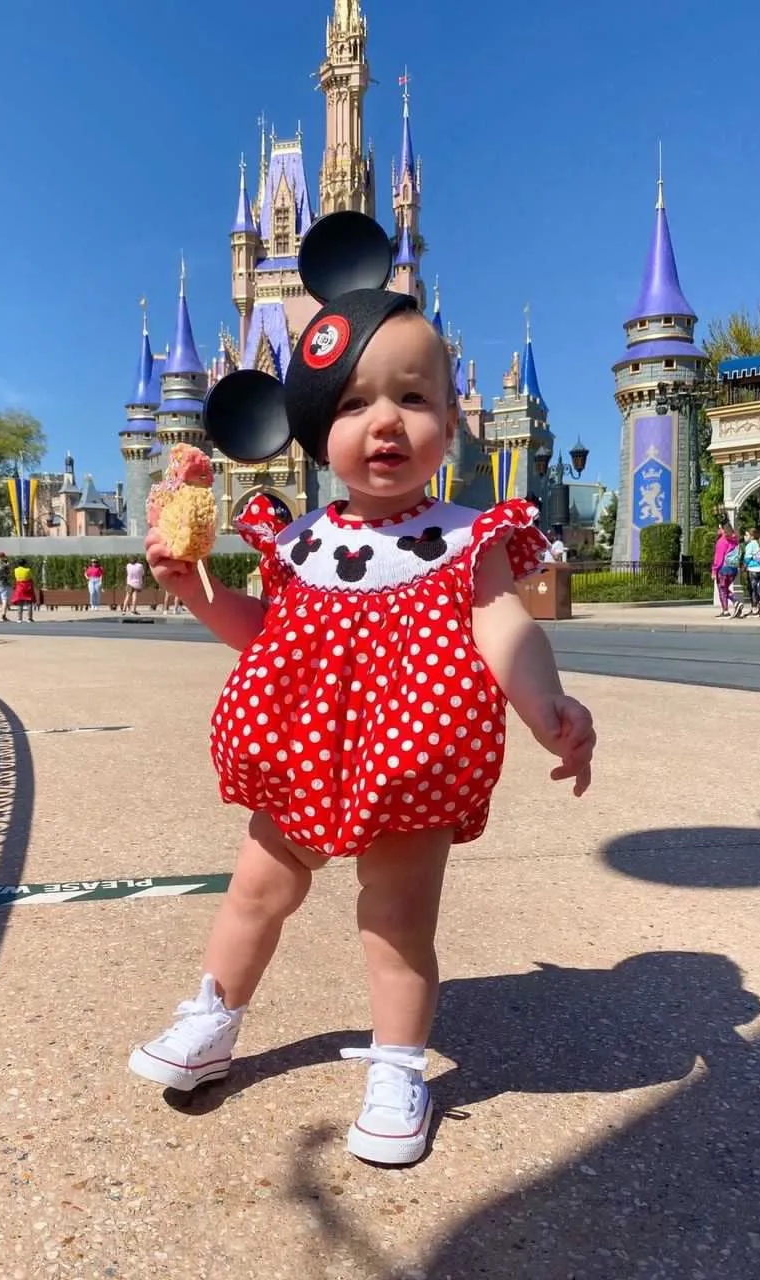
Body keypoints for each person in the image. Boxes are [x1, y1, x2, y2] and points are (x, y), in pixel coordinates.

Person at [129, 291, 596, 1166]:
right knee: (255, 893)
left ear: (453, 425)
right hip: (302, 754)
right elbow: (264, 632)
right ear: (314, 432)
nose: (384, 421)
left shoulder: (465, 537)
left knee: (396, 920)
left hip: (411, 759)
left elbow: (505, 628)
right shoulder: (301, 540)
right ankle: (214, 1018)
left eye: (412, 398)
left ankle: (396, 1066)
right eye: (352, 402)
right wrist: (194, 593)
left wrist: (544, 705)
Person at [711, 523, 740, 617]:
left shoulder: (722, 541)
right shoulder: (735, 540)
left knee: (722, 589)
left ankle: (726, 610)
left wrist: (714, 570)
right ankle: (735, 603)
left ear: (723, 529)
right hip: (733, 568)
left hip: (723, 568)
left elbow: (718, 558)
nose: (718, 530)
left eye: (719, 528)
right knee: (725, 589)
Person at [743, 528, 760, 616]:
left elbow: (747, 558)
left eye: (746, 535)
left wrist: (743, 566)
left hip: (752, 569)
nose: (744, 537)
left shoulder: (750, 545)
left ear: (751, 536)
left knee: (752, 589)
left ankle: (754, 608)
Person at [10, 558, 36, 622]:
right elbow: (31, 578)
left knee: (20, 603)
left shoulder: (15, 570)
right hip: (27, 587)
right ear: (25, 564)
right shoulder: (28, 570)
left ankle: (19, 619)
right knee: (29, 603)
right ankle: (29, 618)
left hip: (19, 587)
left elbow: (16, 578)